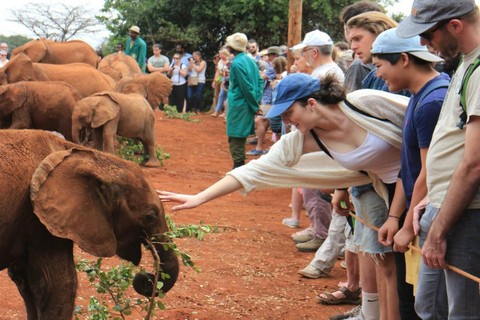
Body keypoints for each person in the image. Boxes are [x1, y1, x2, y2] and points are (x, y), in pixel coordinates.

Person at [158, 74, 408, 315]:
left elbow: (424, 124)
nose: (286, 121)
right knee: (388, 264)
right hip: (391, 192)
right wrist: (199, 197)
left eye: (289, 113)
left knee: (412, 273)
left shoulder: (364, 103)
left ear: (311, 104)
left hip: (422, 186)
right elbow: (254, 170)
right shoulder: (303, 139)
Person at [396, 0, 480, 318]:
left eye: (428, 35)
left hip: (465, 213)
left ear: (455, 26)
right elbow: (457, 145)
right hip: (446, 206)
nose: (423, 43)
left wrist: (439, 230)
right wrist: (435, 194)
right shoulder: (465, 63)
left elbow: (474, 163)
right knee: (430, 306)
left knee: (462, 311)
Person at [371, 28, 450, 320]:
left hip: (429, 218)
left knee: (423, 305)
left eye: (379, 66)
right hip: (414, 216)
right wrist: (394, 217)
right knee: (411, 299)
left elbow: (429, 172)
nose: (378, 74)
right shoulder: (419, 96)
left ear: (403, 59)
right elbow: (408, 167)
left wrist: (406, 227)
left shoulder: (432, 102)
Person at [223, 32, 263, 169]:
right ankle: (239, 167)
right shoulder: (250, 60)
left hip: (239, 105)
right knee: (239, 135)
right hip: (246, 103)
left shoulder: (236, 63)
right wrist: (256, 100)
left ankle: (238, 168)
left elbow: (246, 87)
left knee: (235, 135)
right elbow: (259, 81)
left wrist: (254, 105)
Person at [211, 48, 231, 118]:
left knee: (229, 96)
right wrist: (215, 80)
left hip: (231, 80)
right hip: (224, 79)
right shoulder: (220, 62)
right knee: (221, 95)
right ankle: (217, 111)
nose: (219, 56)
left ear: (224, 54)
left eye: (220, 54)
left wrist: (225, 72)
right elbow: (218, 72)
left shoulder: (231, 61)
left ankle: (226, 113)